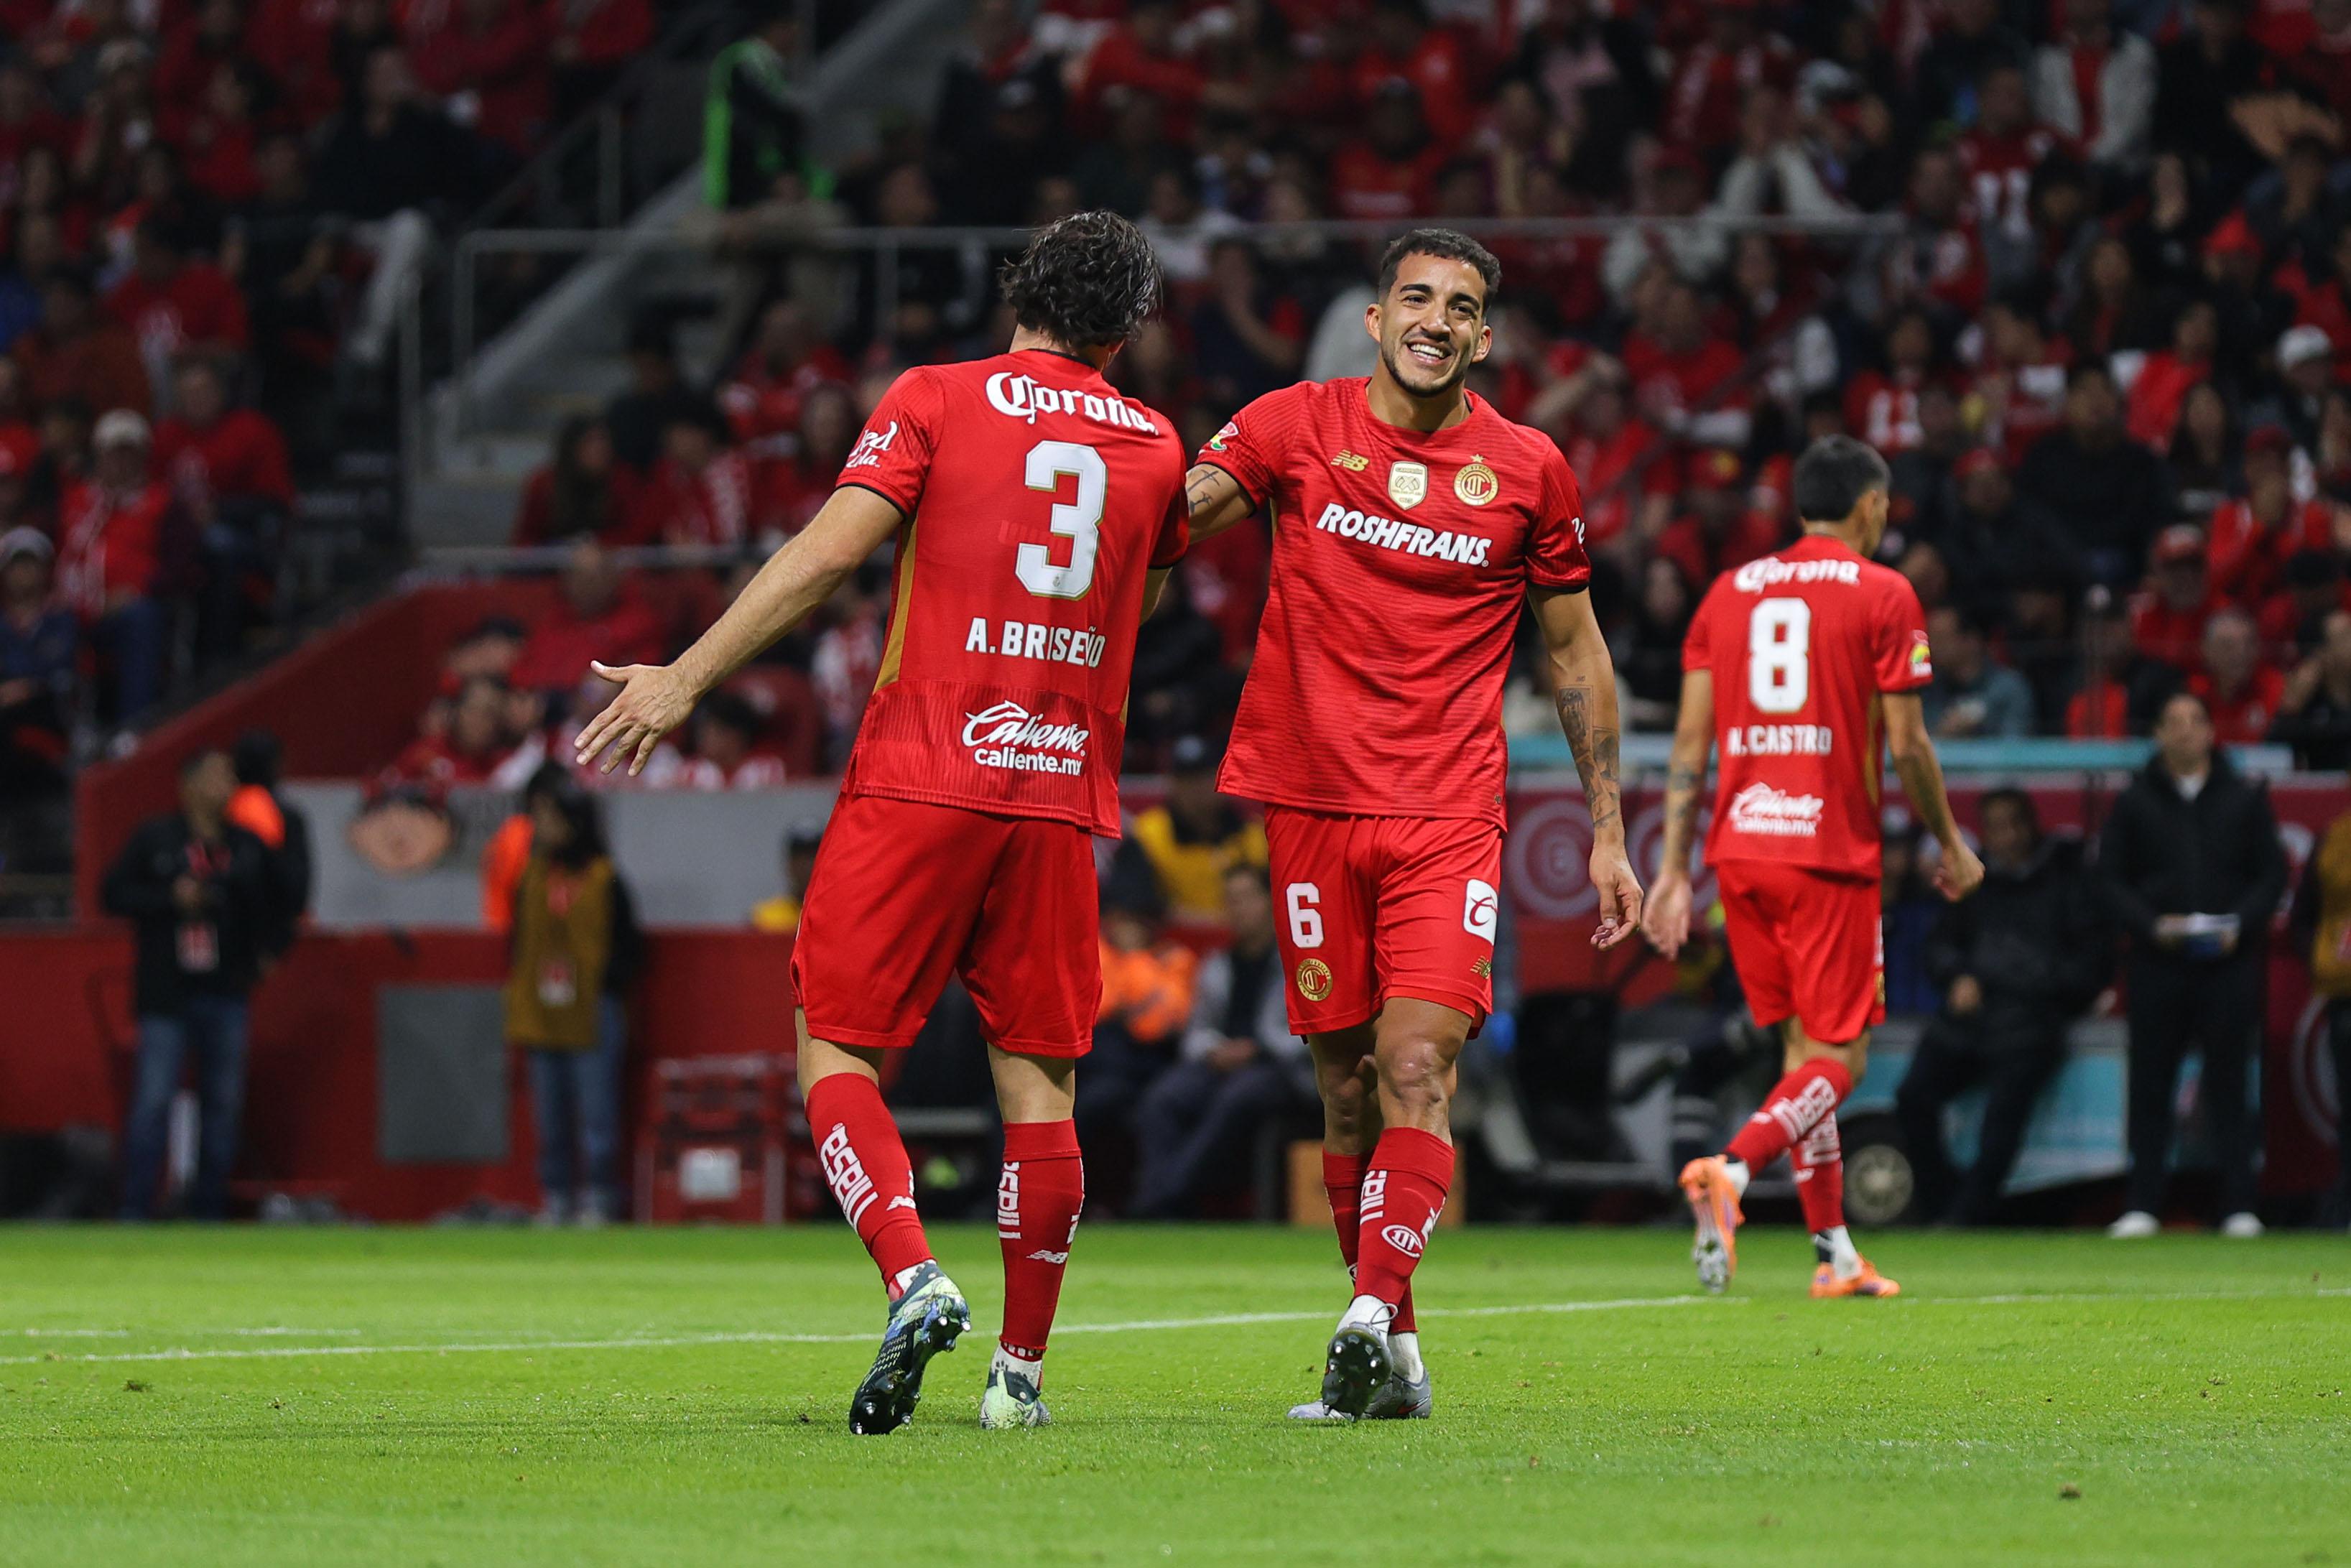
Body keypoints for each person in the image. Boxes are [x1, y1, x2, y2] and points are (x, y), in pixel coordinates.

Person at [575, 213, 1188, 1434]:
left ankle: (913, 1272)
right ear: (1124, 331)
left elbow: (820, 561)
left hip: (922, 770)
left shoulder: (936, 396)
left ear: (1020, 289)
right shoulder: (1158, 444)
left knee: (834, 1043)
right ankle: (1019, 1373)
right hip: (1057, 789)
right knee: (1041, 1082)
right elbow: (1143, 598)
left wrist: (682, 679)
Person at [1184, 228, 1641, 1421]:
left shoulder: (1529, 469)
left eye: (1462, 305)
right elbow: (1169, 522)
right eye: (1416, 297)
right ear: (1377, 319)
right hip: (1309, 804)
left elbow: (1575, 652)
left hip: (1445, 812)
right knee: (1341, 1092)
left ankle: (1362, 1310)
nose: (1436, 319)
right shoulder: (1290, 425)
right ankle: (1394, 1351)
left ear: (1483, 337)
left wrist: (1605, 826)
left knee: (1416, 1062)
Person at [1643, 435, 1985, 1299]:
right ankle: (1731, 1166)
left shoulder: (1727, 592)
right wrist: (1949, 843)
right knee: (1847, 1058)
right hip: (1827, 851)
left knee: (1802, 1052)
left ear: (1799, 507)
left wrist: (1677, 870)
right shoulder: (1885, 591)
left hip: (1741, 851)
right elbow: (1907, 743)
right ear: (1871, 505)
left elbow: (1689, 745)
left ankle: (1833, 1250)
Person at [2099, 690, 2286, 1239]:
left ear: (2210, 731)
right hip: (2158, 961)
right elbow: (2109, 879)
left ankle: (2237, 1205)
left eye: (2194, 720)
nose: (2183, 731)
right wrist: (2151, 924)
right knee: (2150, 1083)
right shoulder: (2134, 801)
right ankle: (2143, 1203)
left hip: (2227, 963)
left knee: (2230, 1084)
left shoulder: (2243, 797)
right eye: (2172, 721)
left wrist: (2239, 924)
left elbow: (2270, 876)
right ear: (2156, 734)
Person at [1897, 789, 2112, 1224]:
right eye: (1995, 827)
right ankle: (1942, 1204)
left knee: (2001, 1124)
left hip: (2032, 1023)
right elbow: (1938, 946)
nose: (2006, 836)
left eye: (2013, 824)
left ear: (2031, 826)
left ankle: (1967, 1219)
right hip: (1968, 1021)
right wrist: (1957, 975)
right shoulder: (1974, 882)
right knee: (1912, 1097)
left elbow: (2090, 966)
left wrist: (2032, 985)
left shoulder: (2066, 881)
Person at [103, 750, 277, 1219]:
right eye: (217, 774)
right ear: (189, 784)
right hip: (167, 990)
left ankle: (207, 1212)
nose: (228, 784)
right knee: (154, 1100)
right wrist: (169, 898)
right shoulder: (156, 837)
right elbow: (112, 893)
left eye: (231, 775)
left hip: (225, 989)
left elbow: (270, 905)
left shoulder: (244, 845)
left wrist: (262, 954)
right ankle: (136, 1207)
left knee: (223, 1104)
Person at [1130, 865, 1311, 1217]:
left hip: (1280, 1070)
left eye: (1246, 899)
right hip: (1220, 1062)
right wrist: (1215, 1049)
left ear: (1270, 903)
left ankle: (1162, 1196)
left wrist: (1258, 1048)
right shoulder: (1218, 963)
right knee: (1163, 1098)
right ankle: (1168, 1200)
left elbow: (1311, 1033)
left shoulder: (1297, 961)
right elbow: (1197, 1030)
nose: (1237, 909)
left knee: (1235, 1099)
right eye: (1230, 900)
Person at [502, 779, 641, 1226]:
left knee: (597, 1117)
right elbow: (518, 940)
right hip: (542, 1010)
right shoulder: (532, 874)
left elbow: (630, 947)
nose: (539, 826)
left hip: (593, 1011)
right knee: (551, 1118)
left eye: (548, 817)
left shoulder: (605, 878)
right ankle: (557, 1197)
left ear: (574, 822)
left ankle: (601, 1198)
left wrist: (601, 983)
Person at [2286, 800, 2351, 1228]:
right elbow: (2303, 918)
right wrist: (2324, 956)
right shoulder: (2336, 838)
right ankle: (2345, 1208)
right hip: (2346, 994)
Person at [1128, 733, 1268, 924]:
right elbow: (1134, 904)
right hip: (1175, 946)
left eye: (1205, 777)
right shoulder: (1148, 833)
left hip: (1249, 946)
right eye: (1186, 780)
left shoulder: (1255, 836)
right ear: (1173, 784)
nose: (1196, 789)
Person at [226, 729, 312, 966]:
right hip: (263, 935)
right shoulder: (282, 813)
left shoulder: (222, 808)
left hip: (231, 935)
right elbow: (295, 887)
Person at [750, 827, 821, 933]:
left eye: (814, 857)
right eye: (800, 858)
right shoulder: (763, 918)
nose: (807, 866)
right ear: (789, 864)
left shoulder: (839, 916)